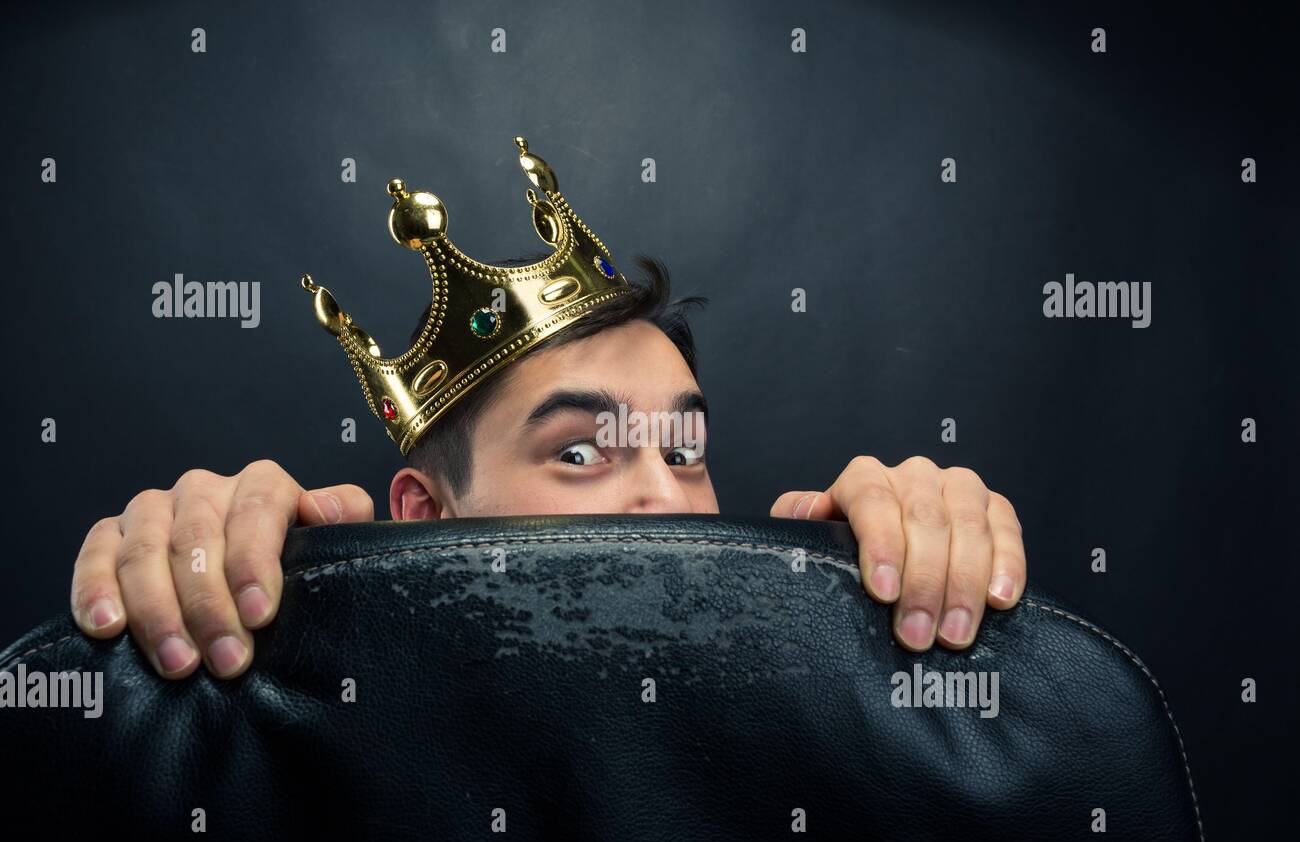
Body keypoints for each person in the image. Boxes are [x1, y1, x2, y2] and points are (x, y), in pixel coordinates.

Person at [66, 139, 1026, 681]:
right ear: (425, 514)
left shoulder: (818, 709)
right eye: (580, 453)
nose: (667, 499)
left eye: (684, 450)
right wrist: (182, 582)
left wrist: (924, 602)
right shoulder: (317, 732)